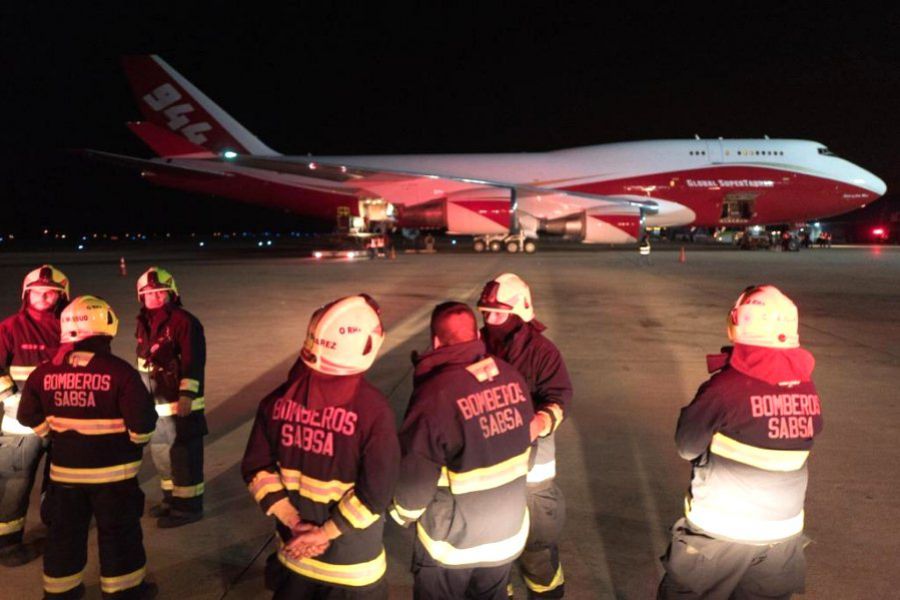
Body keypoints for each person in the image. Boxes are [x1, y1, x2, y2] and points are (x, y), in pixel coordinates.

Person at [657, 285, 823, 599]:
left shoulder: (726, 386)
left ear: (740, 323)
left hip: (721, 534)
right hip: (781, 538)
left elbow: (687, 445)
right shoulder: (806, 385)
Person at [241, 295, 399, 598]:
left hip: (294, 557)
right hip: (353, 567)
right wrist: (324, 533)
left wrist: (295, 523)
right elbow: (377, 494)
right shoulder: (373, 410)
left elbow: (256, 469)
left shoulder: (276, 401)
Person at [390, 302, 534, 600]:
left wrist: (402, 513)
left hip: (452, 545)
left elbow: (415, 478)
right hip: (505, 535)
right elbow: (527, 447)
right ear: (477, 336)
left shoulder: (436, 395)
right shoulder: (513, 378)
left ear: (435, 342)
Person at [17, 295, 158, 599]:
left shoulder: (43, 371)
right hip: (114, 478)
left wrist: (51, 435)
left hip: (65, 476)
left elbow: (26, 414)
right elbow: (143, 422)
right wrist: (135, 442)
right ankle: (124, 592)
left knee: (63, 537)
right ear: (106, 327)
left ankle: (60, 593)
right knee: (119, 535)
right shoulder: (119, 372)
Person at [477, 274, 572, 599]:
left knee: (538, 552)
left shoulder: (543, 352)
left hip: (534, 474)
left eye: (498, 313)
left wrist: (542, 419)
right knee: (493, 554)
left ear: (520, 313)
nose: (490, 320)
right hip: (491, 470)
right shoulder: (477, 346)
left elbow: (559, 394)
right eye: (486, 313)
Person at [0, 264, 69, 567]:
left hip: (61, 422)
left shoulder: (68, 328)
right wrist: (10, 397)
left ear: (61, 296)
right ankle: (7, 543)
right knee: (14, 483)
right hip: (20, 428)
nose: (44, 297)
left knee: (58, 483)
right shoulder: (10, 327)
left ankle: (56, 529)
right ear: (27, 294)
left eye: (51, 292)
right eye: (38, 291)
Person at [134, 267, 207, 528]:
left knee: (184, 456)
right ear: (141, 297)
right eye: (148, 293)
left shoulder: (184, 322)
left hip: (180, 405)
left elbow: (193, 362)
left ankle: (188, 507)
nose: (154, 297)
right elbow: (143, 363)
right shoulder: (144, 322)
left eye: (160, 292)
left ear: (171, 294)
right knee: (162, 455)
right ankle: (171, 499)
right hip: (156, 406)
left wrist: (188, 394)